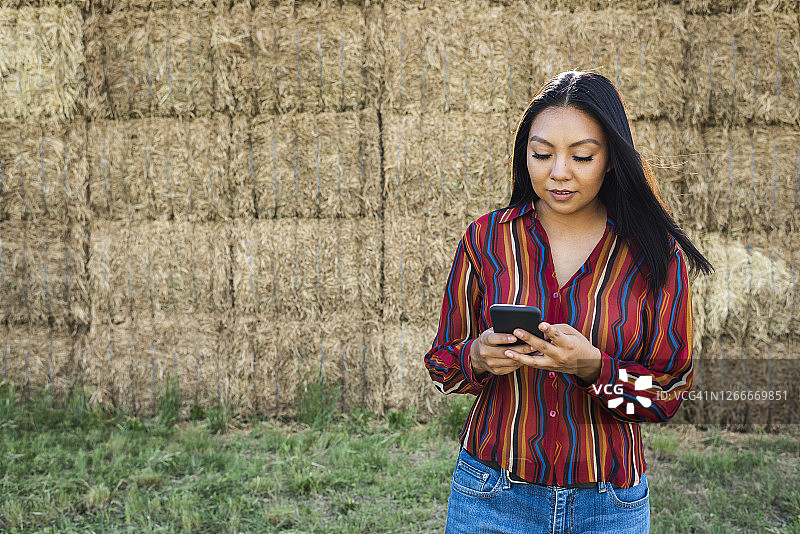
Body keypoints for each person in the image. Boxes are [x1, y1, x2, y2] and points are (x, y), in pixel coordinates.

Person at [424, 71, 712, 534]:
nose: (559, 172)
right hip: (491, 495)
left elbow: (668, 393)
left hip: (609, 504)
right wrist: (476, 355)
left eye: (581, 156)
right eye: (541, 154)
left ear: (612, 159)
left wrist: (594, 367)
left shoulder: (655, 255)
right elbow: (442, 365)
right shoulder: (488, 239)